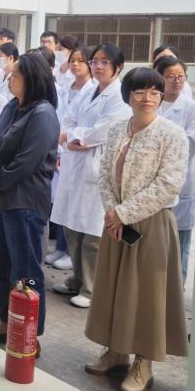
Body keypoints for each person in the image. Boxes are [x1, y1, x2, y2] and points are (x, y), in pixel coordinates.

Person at [84, 68, 189, 391]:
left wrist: (123, 213)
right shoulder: (118, 129)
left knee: (146, 296)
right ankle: (116, 352)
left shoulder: (172, 135)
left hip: (152, 223)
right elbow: (105, 173)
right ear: (128, 95)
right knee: (115, 289)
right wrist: (112, 211)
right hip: (117, 223)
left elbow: (168, 184)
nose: (148, 98)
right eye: (140, 91)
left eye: (155, 92)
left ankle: (144, 363)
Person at [0, 53, 60, 348]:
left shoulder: (43, 114)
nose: (9, 80)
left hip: (24, 203)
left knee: (25, 272)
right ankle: (6, 322)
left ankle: (29, 335)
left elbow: (26, 163)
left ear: (31, 80)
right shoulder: (12, 106)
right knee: (0, 266)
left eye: (14, 75)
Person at [51, 43, 130, 308]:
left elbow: (103, 130)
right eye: (95, 61)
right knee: (72, 227)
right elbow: (68, 118)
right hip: (75, 164)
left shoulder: (120, 96)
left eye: (104, 62)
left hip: (98, 168)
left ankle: (90, 288)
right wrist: (73, 136)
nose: (98, 66)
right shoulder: (88, 90)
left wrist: (74, 136)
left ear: (118, 67)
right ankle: (76, 278)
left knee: (93, 233)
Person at [154, 55, 195, 284]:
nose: (177, 81)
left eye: (181, 77)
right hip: (152, 182)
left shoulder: (192, 109)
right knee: (155, 243)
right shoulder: (152, 103)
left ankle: (177, 288)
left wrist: (160, 145)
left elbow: (191, 144)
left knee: (180, 242)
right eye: (171, 77)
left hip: (181, 182)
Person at [46, 46, 95, 272]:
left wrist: (67, 138)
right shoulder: (66, 88)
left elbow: (82, 127)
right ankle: (61, 248)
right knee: (61, 204)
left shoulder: (93, 90)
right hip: (62, 149)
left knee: (76, 209)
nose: (75, 64)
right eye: (73, 60)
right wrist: (61, 143)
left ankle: (69, 253)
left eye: (81, 61)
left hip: (77, 153)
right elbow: (62, 119)